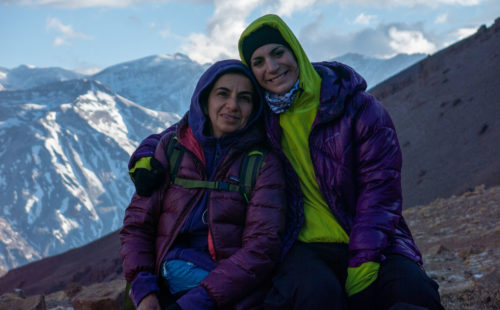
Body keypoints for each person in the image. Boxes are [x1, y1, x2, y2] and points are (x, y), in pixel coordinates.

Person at [235, 14, 444, 310]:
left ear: (295, 50)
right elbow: (200, 121)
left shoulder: (356, 106)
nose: (271, 67)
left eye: (278, 52)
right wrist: (146, 157)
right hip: (301, 246)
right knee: (319, 297)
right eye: (258, 62)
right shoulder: (259, 119)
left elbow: (380, 188)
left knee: (414, 292)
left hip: (370, 235)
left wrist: (364, 261)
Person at [120, 59, 286, 310]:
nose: (232, 105)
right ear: (205, 99)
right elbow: (138, 225)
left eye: (244, 98)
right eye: (223, 94)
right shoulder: (172, 149)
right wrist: (144, 290)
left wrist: (195, 303)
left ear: (254, 108)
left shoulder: (262, 164)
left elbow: (261, 247)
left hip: (226, 288)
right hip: (163, 281)